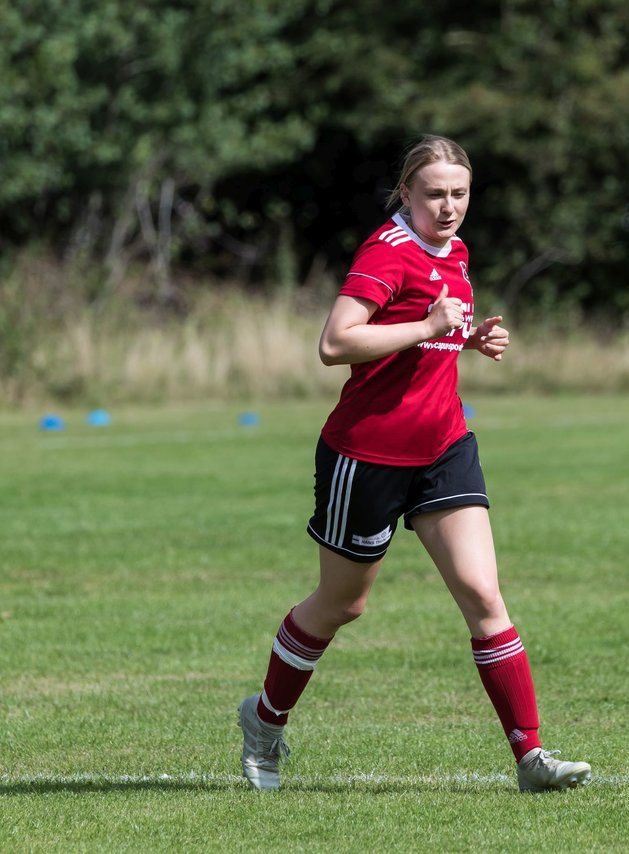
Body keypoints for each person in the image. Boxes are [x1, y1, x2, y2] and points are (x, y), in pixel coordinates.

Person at [237, 135, 592, 793]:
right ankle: (264, 720)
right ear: (406, 193)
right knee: (343, 605)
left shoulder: (454, 251)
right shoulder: (387, 251)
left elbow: (426, 337)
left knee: (484, 595)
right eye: (435, 193)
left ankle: (532, 757)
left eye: (459, 193)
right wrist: (431, 327)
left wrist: (469, 338)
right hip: (365, 456)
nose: (449, 206)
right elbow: (336, 341)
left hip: (443, 448)